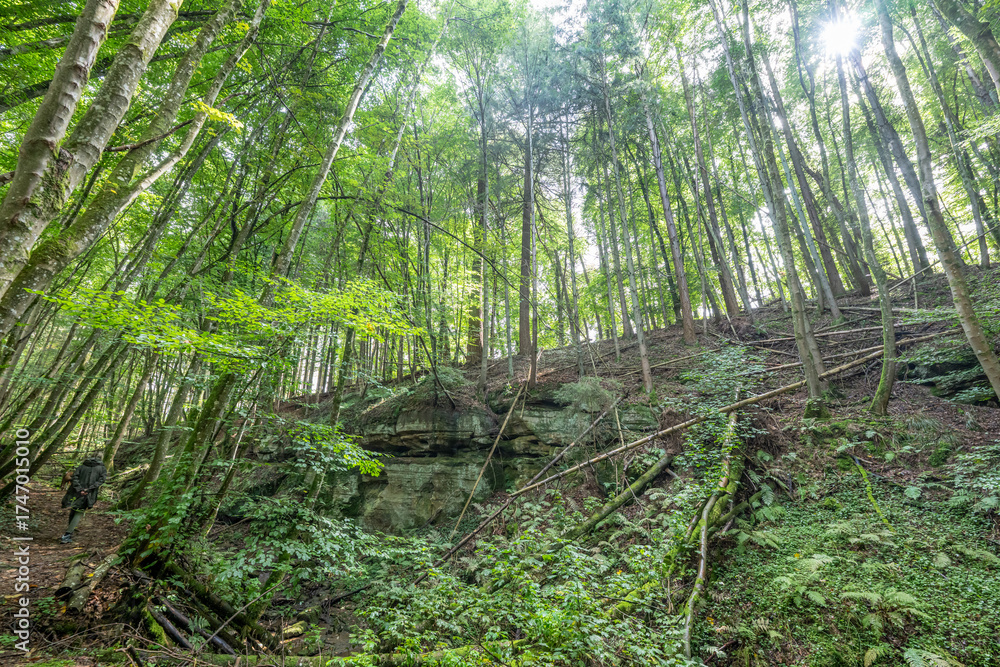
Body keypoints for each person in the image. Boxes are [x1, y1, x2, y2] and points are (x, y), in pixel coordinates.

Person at [60, 457, 107, 544]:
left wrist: (79, 489)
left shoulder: (82, 466)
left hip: (75, 492)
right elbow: (101, 480)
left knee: (74, 510)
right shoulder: (102, 468)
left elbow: (74, 477)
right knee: (79, 511)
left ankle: (70, 531)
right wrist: (88, 489)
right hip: (88, 493)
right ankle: (67, 534)